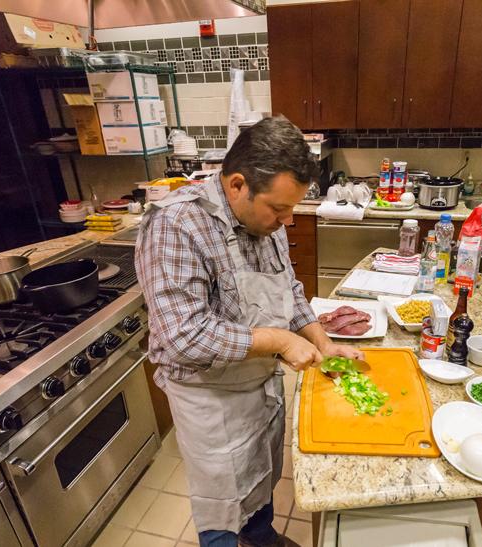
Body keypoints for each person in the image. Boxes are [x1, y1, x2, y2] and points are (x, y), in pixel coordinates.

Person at [135, 116, 362, 547]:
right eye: (279, 209)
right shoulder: (176, 226)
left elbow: (289, 292)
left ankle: (260, 538)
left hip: (258, 381)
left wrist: (322, 342)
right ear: (237, 184)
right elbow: (184, 335)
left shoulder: (265, 222)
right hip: (210, 397)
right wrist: (278, 341)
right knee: (222, 497)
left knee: (261, 471)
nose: (289, 220)